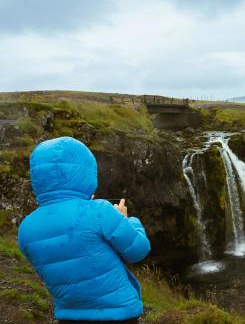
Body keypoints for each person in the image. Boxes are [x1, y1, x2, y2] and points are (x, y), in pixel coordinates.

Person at [17, 136, 151, 323]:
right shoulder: (100, 211)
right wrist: (127, 220)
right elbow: (138, 251)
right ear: (86, 173)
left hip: (68, 316)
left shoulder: (25, 228)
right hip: (118, 315)